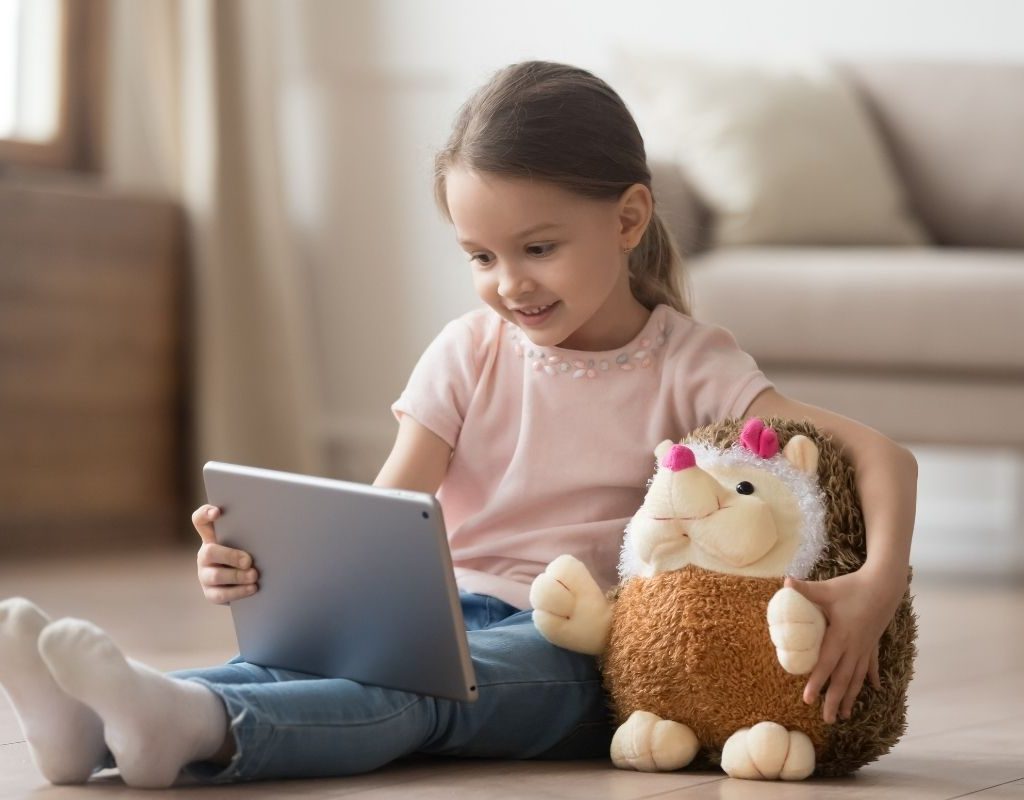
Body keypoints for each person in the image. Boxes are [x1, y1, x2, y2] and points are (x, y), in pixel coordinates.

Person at [0, 60, 918, 789]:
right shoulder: (466, 351)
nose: (508, 283)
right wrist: (261, 560)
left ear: (629, 217)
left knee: (419, 697)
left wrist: (875, 588)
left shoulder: (690, 363)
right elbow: (384, 511)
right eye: (480, 255)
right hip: (441, 614)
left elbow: (886, 456)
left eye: (538, 249)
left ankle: (192, 728)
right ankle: (93, 730)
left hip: (578, 648)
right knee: (336, 668)